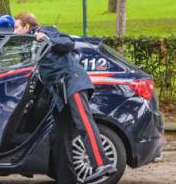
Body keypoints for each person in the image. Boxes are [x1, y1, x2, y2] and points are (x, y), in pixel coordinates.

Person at [14, 13, 116, 183]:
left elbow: (68, 42)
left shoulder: (45, 31)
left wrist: (47, 38)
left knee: (84, 122)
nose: (14, 31)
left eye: (17, 27)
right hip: (60, 95)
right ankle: (67, 179)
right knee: (59, 135)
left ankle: (101, 164)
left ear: (26, 26)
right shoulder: (31, 45)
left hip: (72, 84)